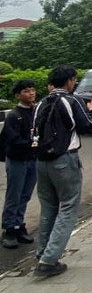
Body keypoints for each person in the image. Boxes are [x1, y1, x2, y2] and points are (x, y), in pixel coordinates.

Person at [34, 65, 92, 277]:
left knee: (48, 207)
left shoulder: (41, 102)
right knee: (68, 207)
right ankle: (49, 259)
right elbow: (86, 127)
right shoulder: (72, 101)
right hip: (65, 160)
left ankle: (42, 251)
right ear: (70, 81)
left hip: (42, 161)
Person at [1, 79, 38, 249]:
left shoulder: (36, 111)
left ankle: (19, 224)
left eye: (32, 90)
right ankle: (9, 229)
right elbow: (12, 140)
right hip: (17, 160)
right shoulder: (14, 116)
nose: (30, 94)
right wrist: (31, 143)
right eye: (26, 91)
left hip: (32, 159)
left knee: (25, 194)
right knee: (14, 194)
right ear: (18, 95)